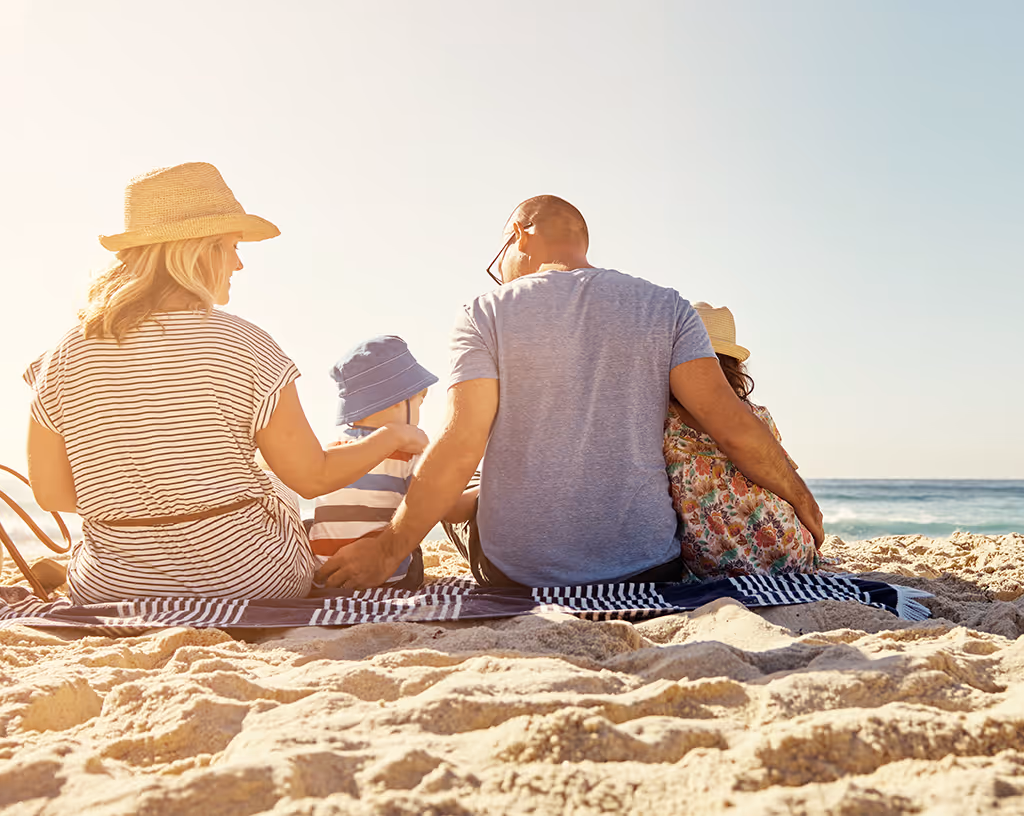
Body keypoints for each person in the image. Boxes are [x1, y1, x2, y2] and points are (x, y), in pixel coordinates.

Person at [317, 195, 824, 590]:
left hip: (517, 574)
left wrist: (387, 549)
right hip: (648, 570)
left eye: (500, 260)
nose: (499, 276)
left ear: (519, 233)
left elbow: (461, 441)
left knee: (463, 488)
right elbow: (731, 424)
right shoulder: (666, 307)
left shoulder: (485, 312)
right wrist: (802, 498)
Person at [25, 162, 427, 603]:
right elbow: (313, 478)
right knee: (270, 479)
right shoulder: (245, 342)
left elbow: (52, 493)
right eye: (233, 247)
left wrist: (150, 496)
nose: (239, 262)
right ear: (202, 249)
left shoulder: (62, 354)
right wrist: (392, 435)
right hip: (252, 580)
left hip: (114, 588)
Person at [665, 303, 820, 578]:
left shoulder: (665, 422)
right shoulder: (756, 417)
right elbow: (782, 473)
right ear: (734, 365)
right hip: (787, 551)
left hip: (708, 561)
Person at [306, 336, 439, 589]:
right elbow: (435, 504)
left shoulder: (334, 448)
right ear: (401, 400)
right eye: (419, 401)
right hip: (388, 579)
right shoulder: (408, 454)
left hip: (327, 574)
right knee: (414, 544)